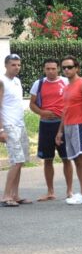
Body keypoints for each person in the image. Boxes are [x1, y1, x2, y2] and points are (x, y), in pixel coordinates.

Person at [29, 58, 73, 201]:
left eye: (53, 68)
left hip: (63, 124)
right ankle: (50, 191)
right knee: (48, 159)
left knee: (66, 158)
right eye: (48, 69)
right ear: (44, 69)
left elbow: (72, 101)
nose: (51, 71)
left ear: (58, 69)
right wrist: (41, 112)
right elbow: (32, 104)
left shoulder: (65, 82)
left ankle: (69, 191)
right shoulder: (38, 84)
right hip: (46, 125)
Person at [55, 55, 82, 205]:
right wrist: (60, 131)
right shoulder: (66, 87)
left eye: (70, 67)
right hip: (69, 127)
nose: (66, 70)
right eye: (64, 67)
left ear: (77, 68)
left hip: (80, 125)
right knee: (77, 159)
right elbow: (65, 110)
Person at [0, 53, 31, 207]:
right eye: (13, 65)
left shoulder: (17, 81)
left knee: (22, 160)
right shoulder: (2, 82)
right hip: (9, 126)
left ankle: (15, 195)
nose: (16, 68)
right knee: (16, 160)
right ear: (6, 65)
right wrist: (0, 130)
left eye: (18, 65)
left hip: (20, 125)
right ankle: (6, 196)